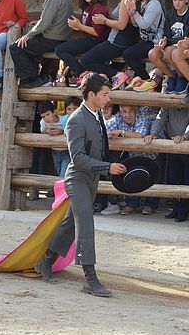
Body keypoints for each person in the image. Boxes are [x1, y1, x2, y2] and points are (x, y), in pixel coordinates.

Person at [34, 73, 127, 297]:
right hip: (77, 179)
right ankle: (90, 279)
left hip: (90, 178)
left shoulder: (95, 116)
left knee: (70, 224)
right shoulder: (77, 119)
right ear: (92, 94)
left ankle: (45, 261)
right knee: (85, 222)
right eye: (104, 95)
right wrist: (107, 167)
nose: (108, 99)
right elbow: (77, 158)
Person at [81, 0, 164, 87]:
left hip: (119, 42)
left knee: (87, 60)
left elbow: (122, 25)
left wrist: (104, 20)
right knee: (103, 60)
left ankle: (122, 76)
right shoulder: (134, 1)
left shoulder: (128, 0)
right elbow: (135, 23)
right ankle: (116, 79)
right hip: (121, 40)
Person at [10, 0, 74, 89]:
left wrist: (28, 35)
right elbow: (50, 20)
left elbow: (45, 22)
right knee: (32, 48)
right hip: (60, 38)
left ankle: (30, 79)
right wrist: (37, 24)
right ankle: (44, 74)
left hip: (52, 39)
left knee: (15, 48)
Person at [144, 106, 189, 222]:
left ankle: (184, 211)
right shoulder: (168, 106)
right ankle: (176, 209)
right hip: (174, 145)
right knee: (174, 178)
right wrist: (153, 133)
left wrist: (185, 136)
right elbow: (159, 119)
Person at [54, 0, 111, 86]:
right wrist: (78, 27)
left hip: (97, 41)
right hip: (90, 39)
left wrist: (79, 26)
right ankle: (80, 73)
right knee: (60, 49)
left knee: (60, 50)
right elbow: (88, 27)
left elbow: (97, 32)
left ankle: (81, 73)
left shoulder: (98, 8)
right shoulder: (88, 7)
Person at [106, 104, 156, 215]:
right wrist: (110, 134)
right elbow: (105, 129)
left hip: (152, 153)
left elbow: (140, 134)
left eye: (130, 111)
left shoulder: (142, 116)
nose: (127, 115)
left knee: (153, 178)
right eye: (124, 111)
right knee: (133, 176)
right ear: (120, 111)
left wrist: (121, 132)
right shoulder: (118, 117)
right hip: (134, 154)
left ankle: (150, 205)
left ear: (136, 111)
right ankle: (132, 204)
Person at [148, 0, 189, 93]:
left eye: (180, 0)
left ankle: (182, 78)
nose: (177, 3)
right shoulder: (169, 13)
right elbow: (166, 31)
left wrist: (170, 43)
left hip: (184, 45)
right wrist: (164, 40)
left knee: (169, 51)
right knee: (152, 54)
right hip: (170, 44)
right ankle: (171, 76)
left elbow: (187, 35)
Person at [38, 101, 70, 176]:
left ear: (54, 112)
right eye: (43, 116)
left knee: (63, 175)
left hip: (66, 152)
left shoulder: (63, 120)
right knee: (59, 173)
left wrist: (61, 131)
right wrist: (46, 132)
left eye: (48, 114)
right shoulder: (43, 122)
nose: (46, 118)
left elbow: (70, 132)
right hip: (55, 152)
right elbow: (42, 132)